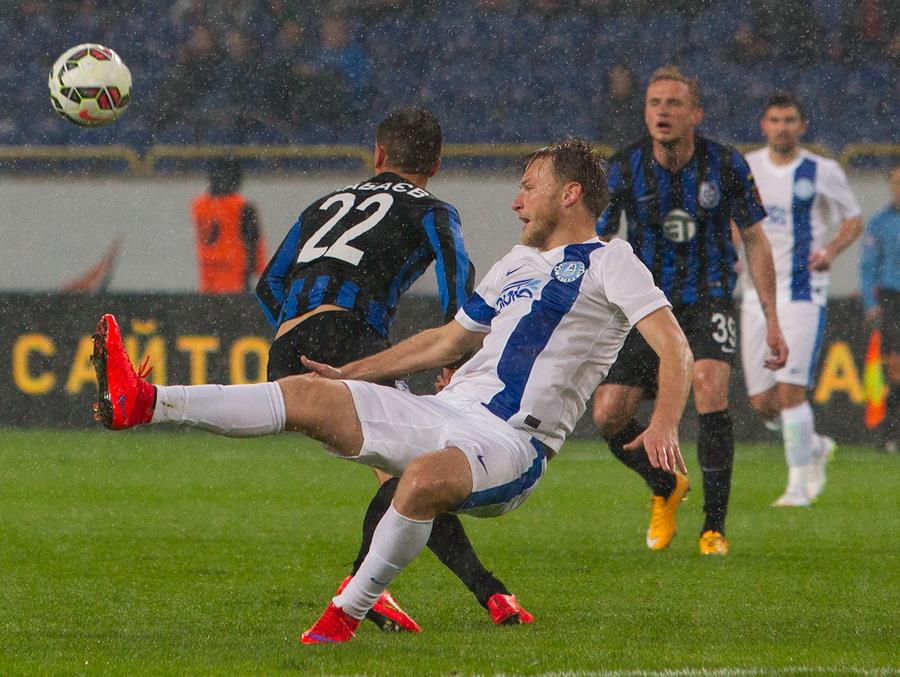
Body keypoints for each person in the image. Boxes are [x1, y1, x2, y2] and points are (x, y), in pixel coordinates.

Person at [89, 138, 694, 644]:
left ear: (570, 194)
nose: (516, 202)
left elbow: (674, 347)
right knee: (307, 394)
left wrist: (664, 422)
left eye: (529, 187)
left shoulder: (611, 260)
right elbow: (446, 341)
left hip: (512, 443)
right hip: (446, 410)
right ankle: (144, 401)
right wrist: (355, 373)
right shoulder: (514, 263)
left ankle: (344, 614)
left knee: (423, 480)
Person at [255, 106, 532, 631]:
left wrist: (297, 331)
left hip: (286, 348)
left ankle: (492, 593)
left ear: (378, 154)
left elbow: (269, 283)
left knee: (410, 476)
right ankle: (367, 587)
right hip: (350, 339)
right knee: (418, 471)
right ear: (437, 163)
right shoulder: (432, 209)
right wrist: (455, 356)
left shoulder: (323, 204)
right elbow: (457, 279)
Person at [593, 65, 788, 556]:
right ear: (645, 113)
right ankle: (665, 484)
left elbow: (755, 239)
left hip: (709, 295)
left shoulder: (725, 164)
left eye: (675, 103)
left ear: (696, 114)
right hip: (647, 304)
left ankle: (712, 528)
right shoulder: (624, 166)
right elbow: (597, 239)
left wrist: (772, 318)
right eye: (655, 103)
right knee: (608, 413)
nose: (663, 111)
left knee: (708, 384)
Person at [741, 93, 863, 506]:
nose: (782, 127)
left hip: (802, 291)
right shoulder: (749, 167)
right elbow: (735, 219)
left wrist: (830, 251)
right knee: (763, 402)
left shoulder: (822, 170)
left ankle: (797, 488)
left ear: (802, 126)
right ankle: (814, 445)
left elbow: (853, 219)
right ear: (764, 125)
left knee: (791, 391)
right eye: (775, 120)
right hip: (756, 294)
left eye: (789, 120)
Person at [859, 165, 900, 453]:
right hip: (893, 298)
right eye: (896, 182)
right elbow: (868, 266)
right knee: (895, 367)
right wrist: (870, 303)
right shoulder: (880, 222)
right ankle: (892, 432)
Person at [191, 158, 267, 294]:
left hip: (208, 280)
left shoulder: (199, 205)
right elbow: (254, 245)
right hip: (235, 281)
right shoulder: (242, 207)